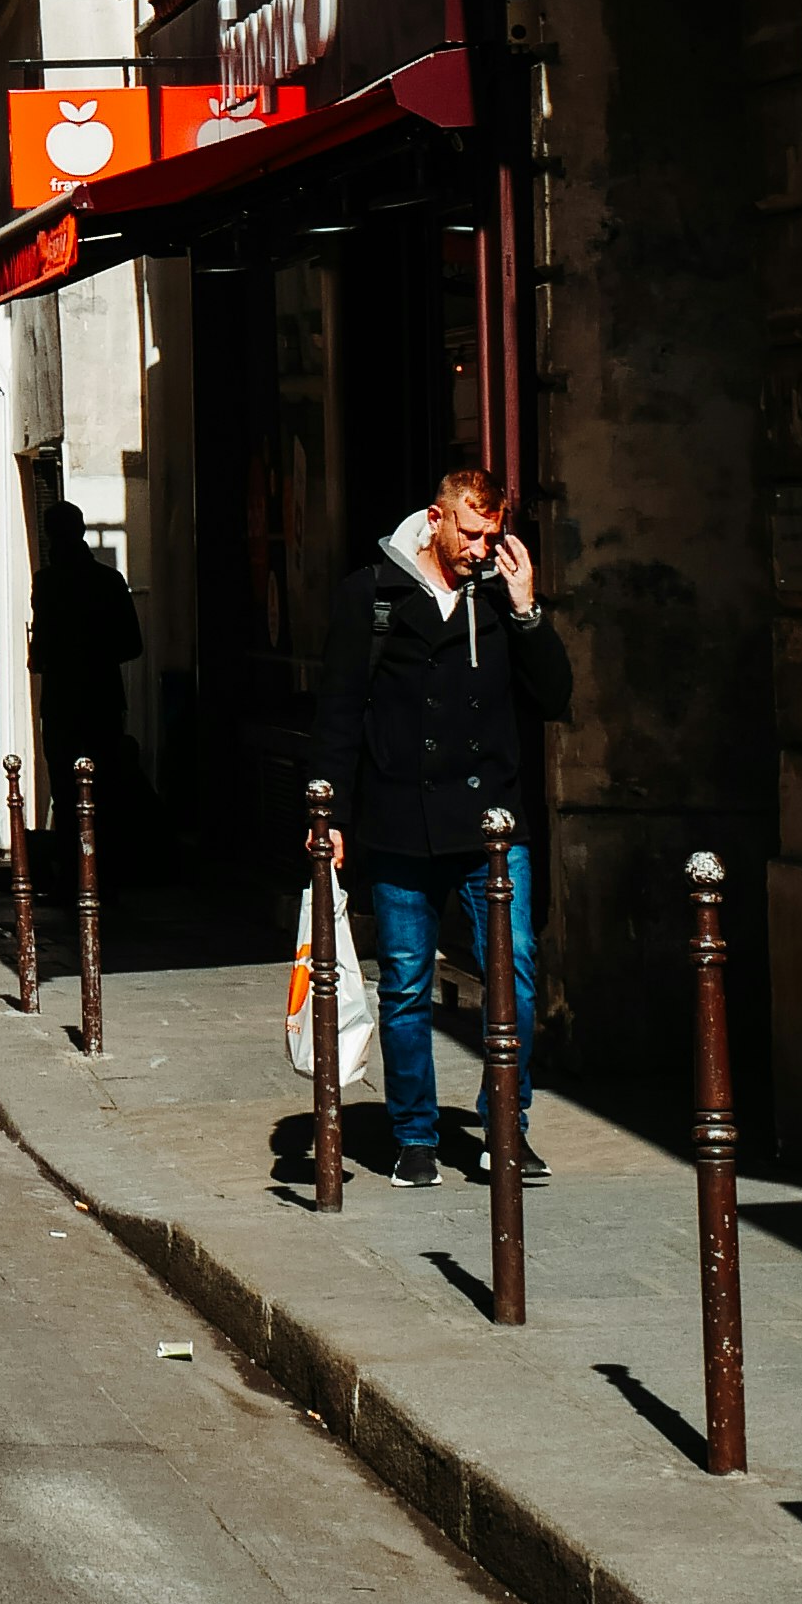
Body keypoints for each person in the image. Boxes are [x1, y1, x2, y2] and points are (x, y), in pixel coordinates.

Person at [311, 462, 575, 1192]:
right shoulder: (372, 597)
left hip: (494, 826)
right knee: (405, 985)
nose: (481, 548)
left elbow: (556, 697)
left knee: (515, 970)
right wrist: (328, 814)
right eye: (470, 531)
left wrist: (527, 613)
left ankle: (505, 1126)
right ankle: (416, 1137)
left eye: (492, 535)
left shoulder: (499, 600)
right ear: (436, 518)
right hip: (401, 822)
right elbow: (337, 713)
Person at [30, 500, 147, 864]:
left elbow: (41, 650)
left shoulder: (48, 582)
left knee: (67, 793)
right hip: (101, 698)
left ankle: (73, 872)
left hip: (66, 699)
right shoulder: (108, 581)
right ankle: (102, 872)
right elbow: (132, 644)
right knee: (103, 790)